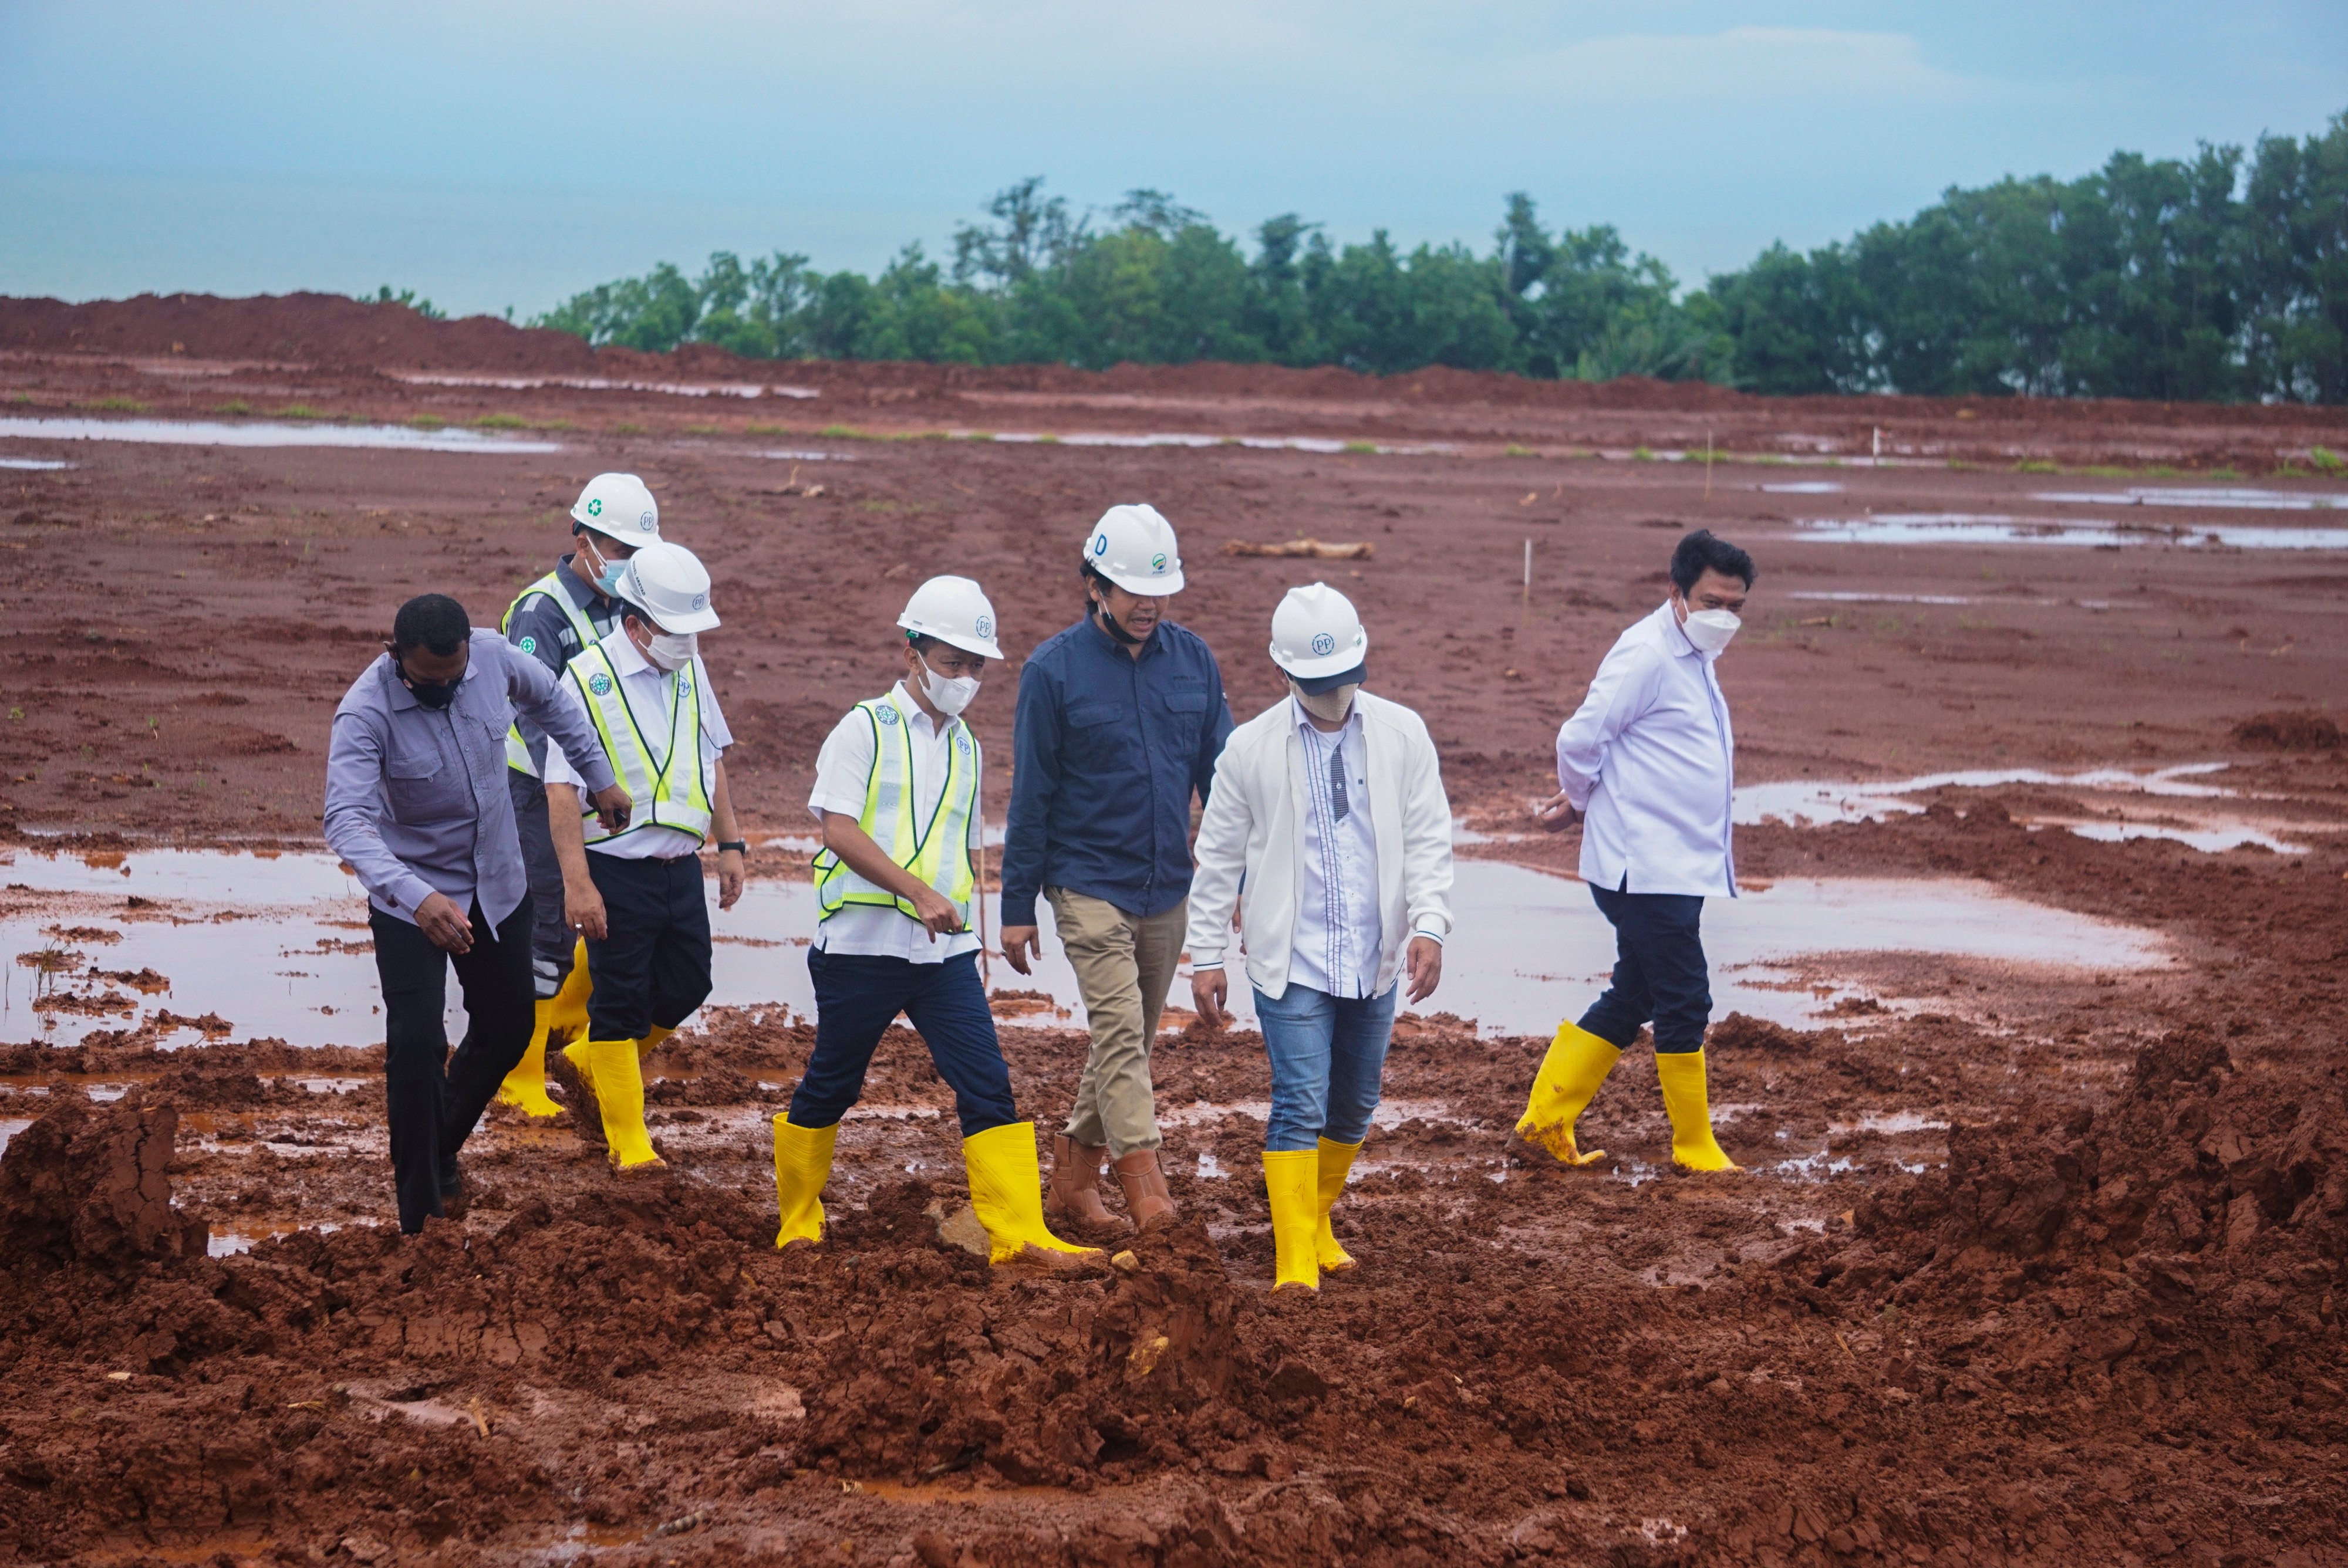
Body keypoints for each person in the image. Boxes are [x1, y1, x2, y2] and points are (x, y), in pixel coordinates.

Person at [771, 577, 1098, 1269]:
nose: (965, 678)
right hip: (860, 948)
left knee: (987, 1082)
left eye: (976, 665)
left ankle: (1019, 1235)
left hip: (942, 958)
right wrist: (916, 892)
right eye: (953, 662)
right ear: (912, 653)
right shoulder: (863, 728)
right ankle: (798, 1219)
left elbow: (960, 850)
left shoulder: (967, 745)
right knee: (834, 1083)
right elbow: (836, 828)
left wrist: (974, 931)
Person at [323, 592, 631, 1233]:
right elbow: (346, 821)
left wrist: (599, 776)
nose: (444, 691)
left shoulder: (493, 655)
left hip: (499, 883)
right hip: (411, 899)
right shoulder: (364, 712)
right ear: (396, 656)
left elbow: (555, 702)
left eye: (454, 678)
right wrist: (416, 896)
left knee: (508, 1028)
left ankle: (436, 1145)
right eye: (428, 684)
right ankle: (421, 1216)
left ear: (468, 651)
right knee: (417, 1045)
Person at [1188, 584, 1455, 1292]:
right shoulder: (1248, 749)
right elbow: (1218, 857)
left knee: (1356, 1101)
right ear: (1283, 671)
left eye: (1345, 678)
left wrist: (1429, 922)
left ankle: (1313, 1219)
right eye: (1318, 682)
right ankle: (1293, 1262)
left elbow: (1428, 837)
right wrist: (1207, 954)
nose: (1334, 694)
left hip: (1374, 954)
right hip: (1291, 958)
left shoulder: (1403, 733)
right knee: (1300, 1101)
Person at [999, 505, 1233, 1235]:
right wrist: (1016, 905)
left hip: (1166, 887)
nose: (1150, 604)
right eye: (1134, 589)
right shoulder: (1051, 671)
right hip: (1086, 882)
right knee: (1123, 1034)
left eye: (1160, 589)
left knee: (1126, 1038)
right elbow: (1031, 794)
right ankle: (1148, 1193)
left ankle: (1073, 1178)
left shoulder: (1194, 661)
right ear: (1094, 584)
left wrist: (1240, 882)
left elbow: (1224, 785)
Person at [1516, 529, 1756, 1174]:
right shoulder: (1647, 653)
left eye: (1735, 607)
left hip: (1674, 864)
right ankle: (1694, 1147)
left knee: (1637, 991)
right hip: (1643, 866)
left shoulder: (1694, 653)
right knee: (1685, 997)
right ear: (1676, 591)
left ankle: (1544, 1123)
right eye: (1711, 602)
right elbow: (1580, 738)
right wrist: (1578, 799)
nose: (1723, 618)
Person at [540, 540, 746, 1175]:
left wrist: (731, 844)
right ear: (635, 623)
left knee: (689, 983)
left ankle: (588, 1061)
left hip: (679, 866)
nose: (688, 643)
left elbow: (711, 759)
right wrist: (577, 883)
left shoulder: (690, 671)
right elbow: (560, 788)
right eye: (676, 631)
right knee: (619, 1002)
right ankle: (629, 1146)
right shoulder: (584, 679)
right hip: (614, 866)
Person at [492, 472, 662, 1119]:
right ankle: (520, 1074)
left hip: (605, 791)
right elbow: (534, 714)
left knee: (610, 913)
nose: (627, 564)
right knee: (548, 923)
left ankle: (565, 1020)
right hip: (541, 789)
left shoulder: (627, 605)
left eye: (637, 553)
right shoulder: (542, 612)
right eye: (618, 550)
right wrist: (580, 787)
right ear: (582, 538)